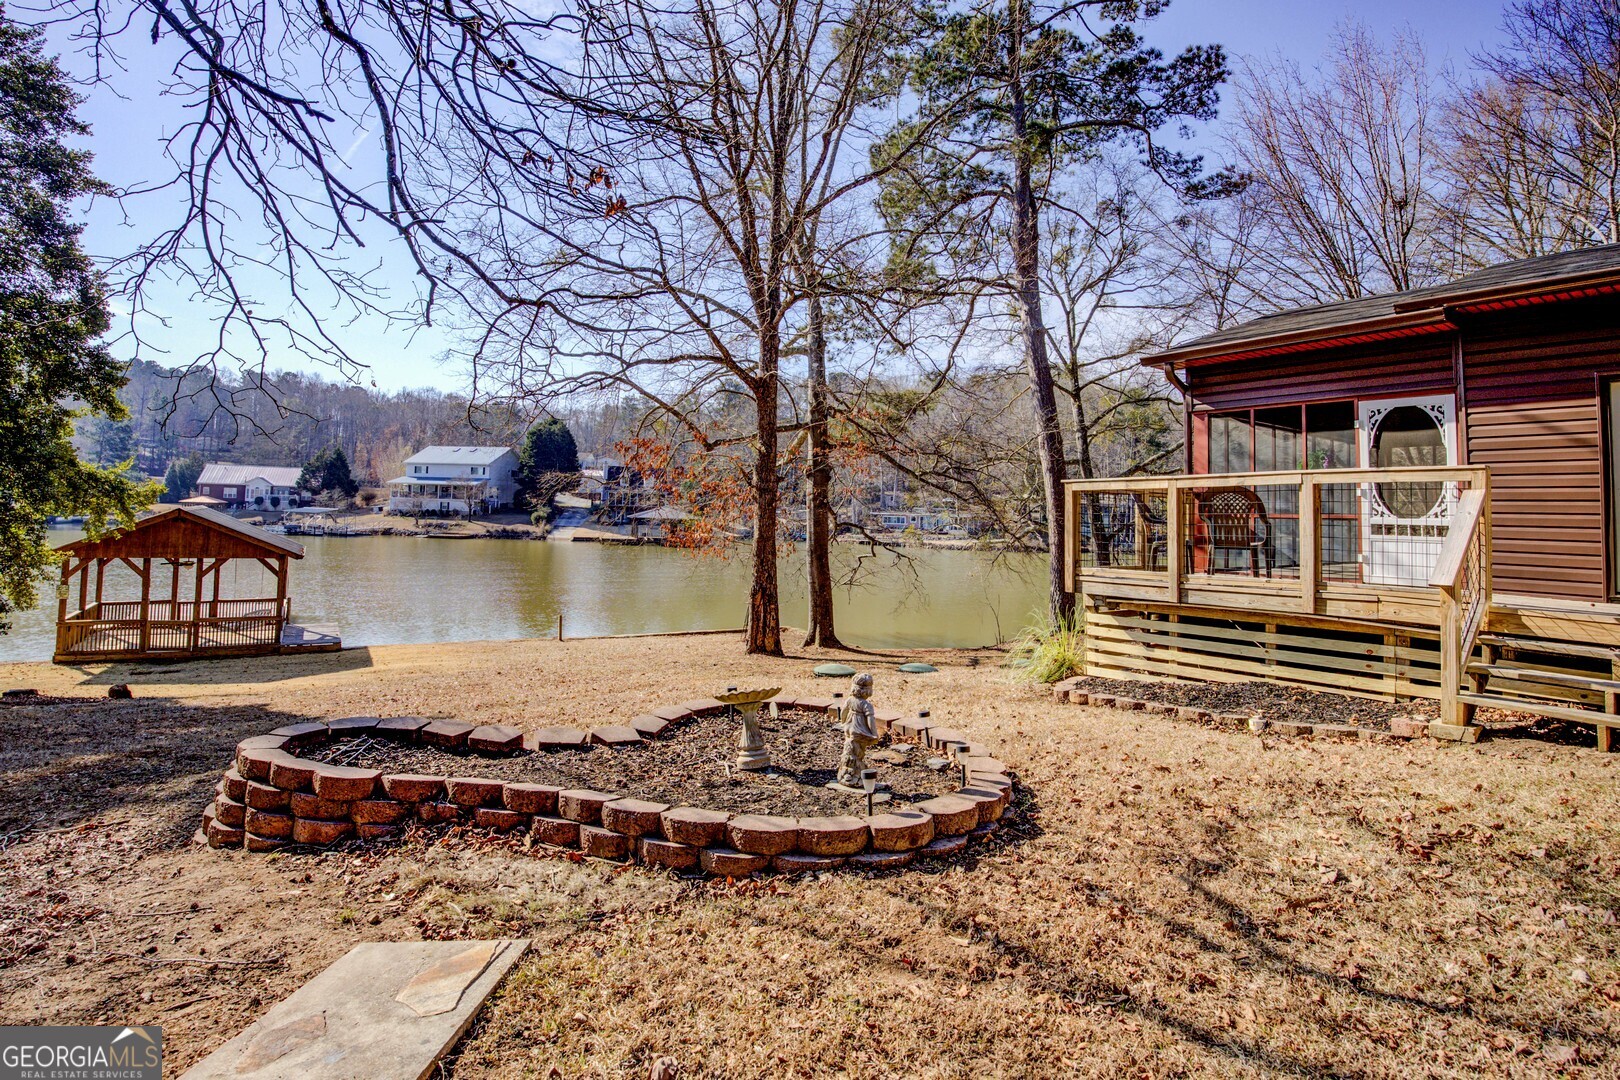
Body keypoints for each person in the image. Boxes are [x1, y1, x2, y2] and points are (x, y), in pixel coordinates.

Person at [836, 673, 878, 789]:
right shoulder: (866, 705)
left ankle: (846, 773)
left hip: (849, 728)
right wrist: (874, 733)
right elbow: (870, 720)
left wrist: (843, 722)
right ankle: (855, 775)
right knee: (859, 751)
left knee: (849, 748)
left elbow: (843, 712)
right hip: (860, 730)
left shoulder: (850, 700)